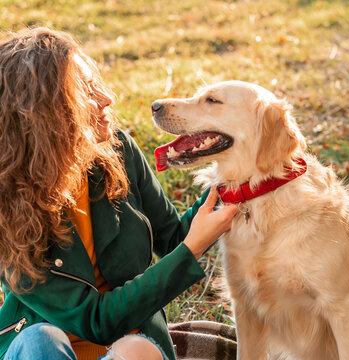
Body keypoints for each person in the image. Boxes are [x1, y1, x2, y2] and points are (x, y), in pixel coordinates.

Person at [0, 27, 238, 360]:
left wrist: (238, 168)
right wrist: (192, 247)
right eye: (83, 91)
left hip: (129, 348)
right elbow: (96, 321)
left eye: (95, 82)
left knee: (137, 348)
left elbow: (175, 236)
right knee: (42, 338)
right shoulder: (7, 207)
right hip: (42, 352)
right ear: (43, 115)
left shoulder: (118, 151)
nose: (105, 98)